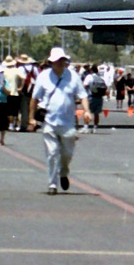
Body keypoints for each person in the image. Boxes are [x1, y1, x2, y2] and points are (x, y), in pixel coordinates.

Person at [28, 48, 93, 195]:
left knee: (67, 153)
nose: (59, 64)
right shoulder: (43, 77)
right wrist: (31, 118)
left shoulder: (73, 77)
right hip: (49, 121)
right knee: (52, 153)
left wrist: (87, 111)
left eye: (62, 61)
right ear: (51, 62)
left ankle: (63, 172)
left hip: (68, 122)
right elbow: (34, 98)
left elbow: (82, 95)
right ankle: (52, 184)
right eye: (56, 61)